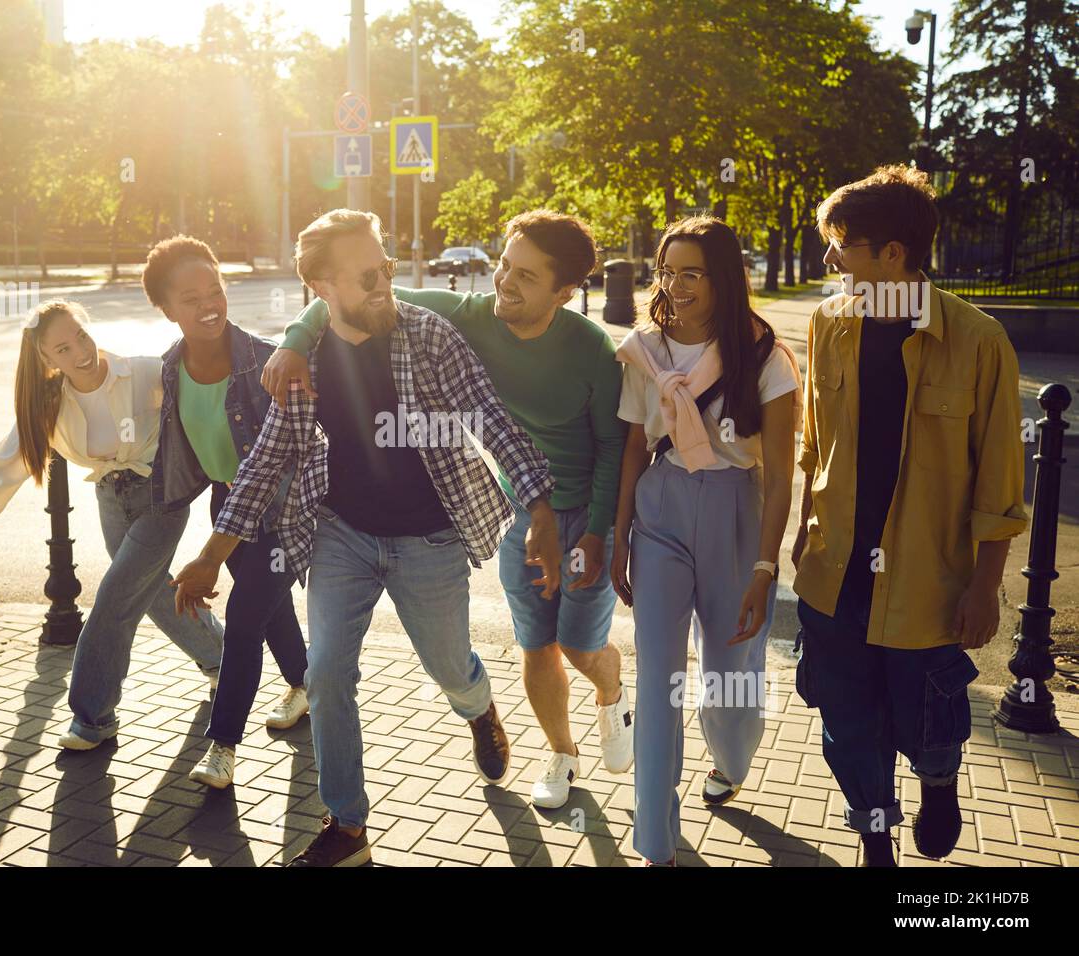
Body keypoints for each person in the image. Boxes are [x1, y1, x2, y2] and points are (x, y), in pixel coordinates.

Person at [173, 209, 563, 867]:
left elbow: (491, 420)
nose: (386, 282)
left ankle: (478, 706)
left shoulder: (428, 336)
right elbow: (268, 457)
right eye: (367, 276)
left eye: (385, 267)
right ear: (323, 287)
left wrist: (543, 511)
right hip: (341, 534)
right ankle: (347, 826)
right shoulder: (304, 360)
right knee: (326, 674)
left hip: (431, 540)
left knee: (449, 667)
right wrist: (212, 555)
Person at [263, 210, 630, 810]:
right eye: (504, 266)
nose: (504, 284)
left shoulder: (590, 347)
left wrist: (595, 530)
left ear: (565, 293)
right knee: (537, 645)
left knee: (574, 646)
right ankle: (560, 754)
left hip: (584, 510)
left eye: (526, 278)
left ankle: (604, 695)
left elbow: (613, 446)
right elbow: (344, 291)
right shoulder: (465, 318)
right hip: (518, 505)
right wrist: (293, 341)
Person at [791, 165, 1027, 866]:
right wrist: (801, 549)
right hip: (836, 574)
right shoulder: (828, 325)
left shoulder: (979, 341)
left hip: (930, 579)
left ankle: (938, 782)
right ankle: (873, 833)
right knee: (846, 720)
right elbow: (813, 450)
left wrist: (985, 587)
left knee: (930, 712)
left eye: (841, 245)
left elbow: (1000, 483)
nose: (829, 260)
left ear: (892, 254)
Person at [0, 299, 224, 751]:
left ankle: (93, 717)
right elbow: (7, 464)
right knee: (149, 594)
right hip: (110, 500)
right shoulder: (49, 403)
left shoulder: (145, 372)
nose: (80, 352)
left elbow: (206, 410)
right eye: (63, 349)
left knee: (113, 602)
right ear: (46, 360)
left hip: (160, 498)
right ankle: (219, 657)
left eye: (81, 337)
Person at [611, 216, 801, 866]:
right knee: (657, 677)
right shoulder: (645, 350)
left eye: (692, 272)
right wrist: (618, 537)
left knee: (729, 679)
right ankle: (656, 841)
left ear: (722, 277)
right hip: (660, 511)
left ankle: (730, 758)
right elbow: (635, 446)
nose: (676, 284)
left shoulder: (766, 357)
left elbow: (780, 475)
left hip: (736, 515)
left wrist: (765, 568)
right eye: (668, 270)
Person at [142, 235, 309, 790]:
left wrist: (210, 554)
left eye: (215, 289)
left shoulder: (268, 361)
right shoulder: (171, 367)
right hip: (225, 503)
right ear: (166, 310)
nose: (209, 303)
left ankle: (223, 746)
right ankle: (305, 685)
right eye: (190, 298)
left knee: (242, 621)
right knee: (270, 610)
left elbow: (294, 452)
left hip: (280, 515)